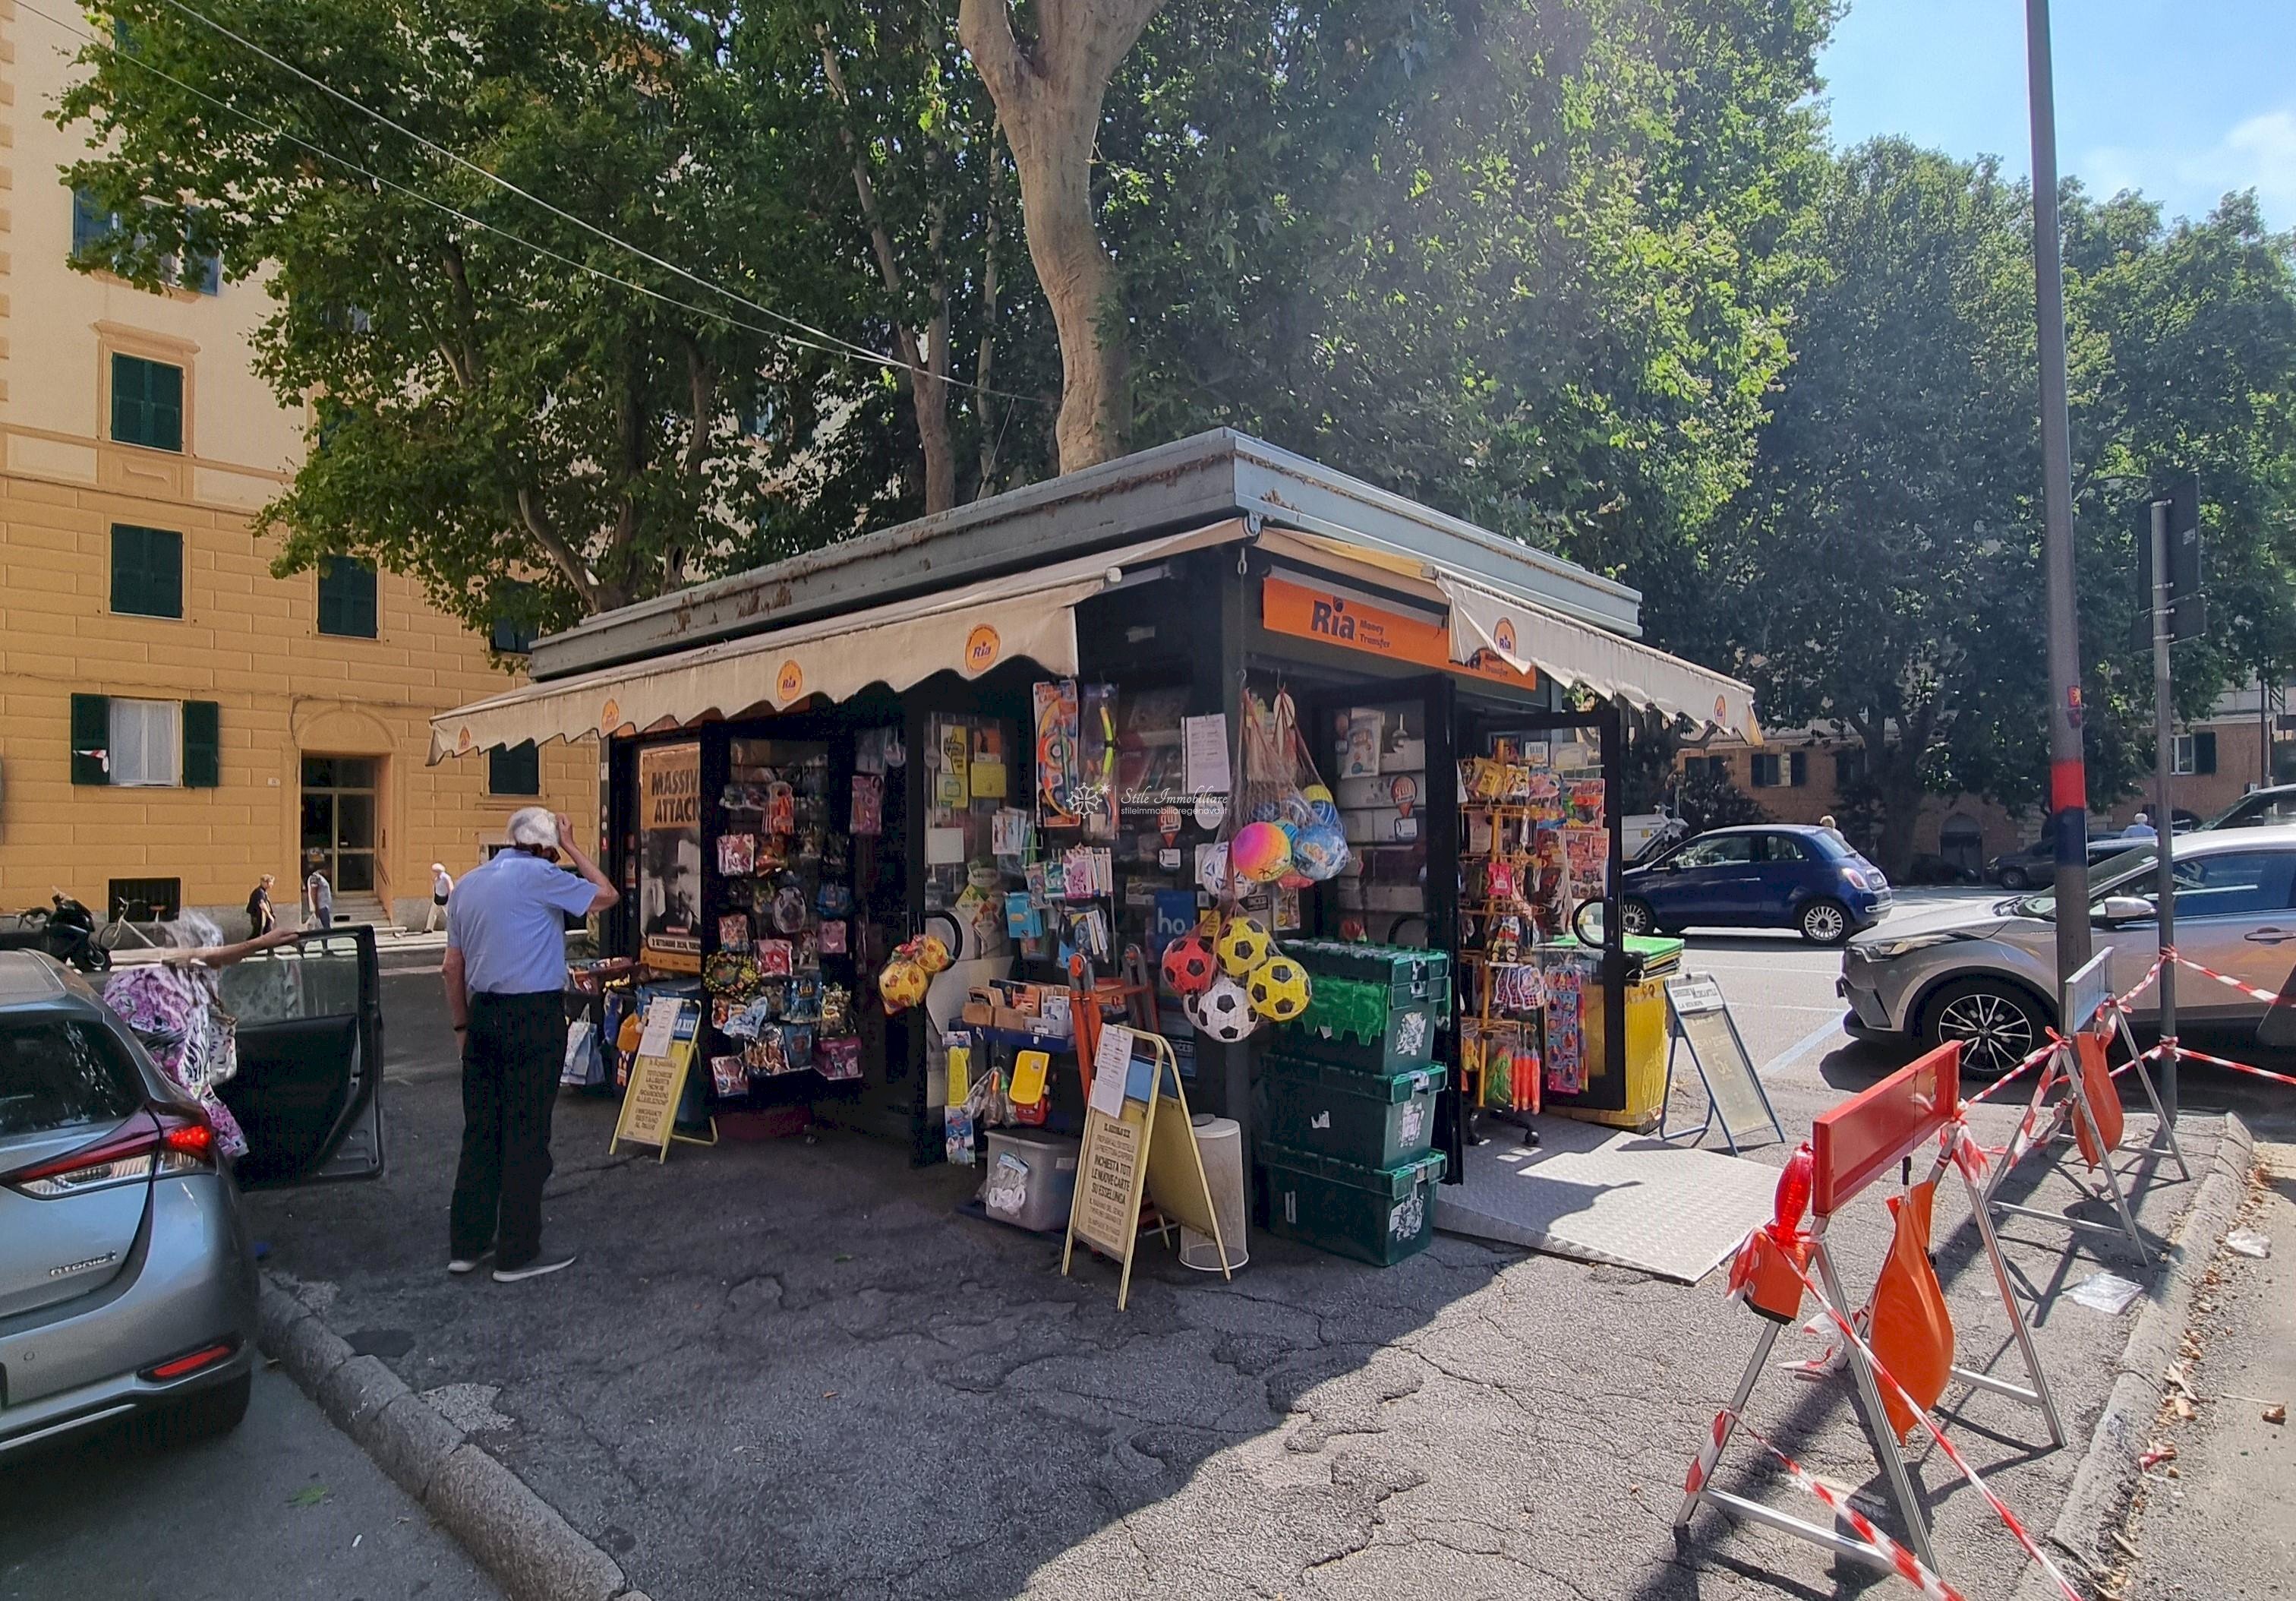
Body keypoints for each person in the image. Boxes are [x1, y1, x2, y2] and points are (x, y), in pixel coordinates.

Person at [442, 808, 617, 1283]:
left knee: (480, 1131)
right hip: (533, 1015)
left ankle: (468, 1244)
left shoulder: (468, 885)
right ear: (545, 848)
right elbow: (607, 894)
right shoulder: (543, 876)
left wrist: (462, 1028)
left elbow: (451, 968)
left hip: (482, 1015)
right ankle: (517, 1251)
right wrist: (575, 847)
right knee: (526, 1131)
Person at [106, 914, 301, 1161]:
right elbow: (169, 1055)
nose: (217, 967)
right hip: (171, 1104)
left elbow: (216, 957)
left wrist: (261, 943)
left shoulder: (172, 976)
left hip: (165, 1099)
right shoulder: (152, 986)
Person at [304, 855, 334, 930]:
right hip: (321, 908)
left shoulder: (320, 878)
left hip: (324, 908)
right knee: (325, 930)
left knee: (325, 929)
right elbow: (313, 893)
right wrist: (316, 909)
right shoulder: (315, 878)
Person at [424, 862, 454, 933]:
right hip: (437, 898)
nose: (432, 873)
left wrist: (451, 898)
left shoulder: (446, 878)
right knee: (432, 912)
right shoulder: (436, 878)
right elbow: (435, 888)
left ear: (438, 871)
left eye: (434, 871)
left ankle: (453, 928)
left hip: (446, 899)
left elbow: (450, 888)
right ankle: (429, 928)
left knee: (449, 914)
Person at [245, 873, 276, 937]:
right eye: (271, 882)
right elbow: (262, 905)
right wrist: (270, 916)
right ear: (265, 883)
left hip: (262, 917)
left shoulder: (263, 892)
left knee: (265, 934)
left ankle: (268, 946)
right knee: (257, 935)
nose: (272, 884)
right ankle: (247, 946)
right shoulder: (260, 892)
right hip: (258, 917)